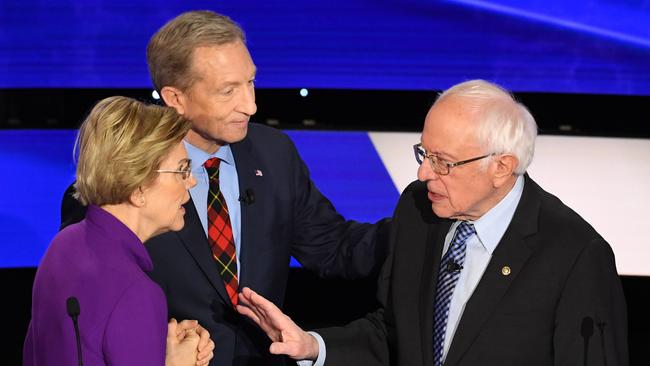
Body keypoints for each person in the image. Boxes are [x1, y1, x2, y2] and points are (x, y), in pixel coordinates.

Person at [60, 10, 390, 365]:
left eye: (250, 82)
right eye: (228, 90)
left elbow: (334, 247)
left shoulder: (274, 154)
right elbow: (90, 317)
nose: (250, 105)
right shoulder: (121, 182)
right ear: (176, 98)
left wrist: (423, 230)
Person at [236, 80, 629, 366]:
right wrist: (312, 346)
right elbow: (393, 332)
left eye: (443, 161)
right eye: (423, 153)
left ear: (502, 167)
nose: (424, 173)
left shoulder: (574, 255)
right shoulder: (419, 210)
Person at [25, 97, 215, 365]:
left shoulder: (63, 245)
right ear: (138, 189)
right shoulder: (137, 292)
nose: (192, 182)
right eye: (181, 171)